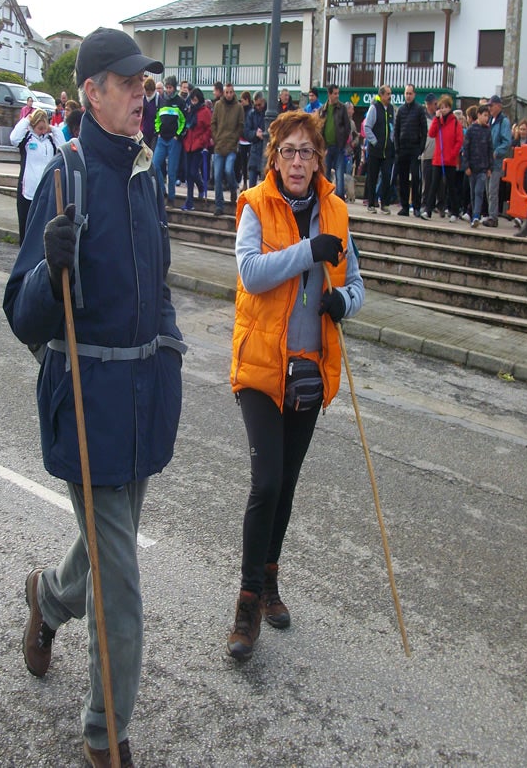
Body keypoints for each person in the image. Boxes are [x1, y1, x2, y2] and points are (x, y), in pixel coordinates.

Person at [3, 28, 185, 768]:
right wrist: (51, 269)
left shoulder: (143, 173)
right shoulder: (65, 177)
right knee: (122, 590)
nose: (144, 93)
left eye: (144, 82)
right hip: (87, 405)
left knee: (101, 556)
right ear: (93, 93)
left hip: (142, 402)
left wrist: (170, 346)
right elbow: (23, 315)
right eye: (129, 82)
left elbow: (162, 283)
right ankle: (104, 735)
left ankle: (47, 597)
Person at [226, 109, 365, 661]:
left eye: (307, 151)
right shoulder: (255, 206)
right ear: (274, 158)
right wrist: (310, 251)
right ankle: (245, 603)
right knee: (266, 483)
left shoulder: (336, 212)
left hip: (308, 369)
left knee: (285, 484)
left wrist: (341, 302)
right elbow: (252, 273)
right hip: (261, 370)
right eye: (289, 151)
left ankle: (269, 581)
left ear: (318, 159)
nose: (299, 161)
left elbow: (356, 284)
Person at [9, 107, 63, 243]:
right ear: (33, 126)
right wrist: (27, 120)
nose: (42, 131)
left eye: (44, 128)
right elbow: (14, 138)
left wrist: (53, 129)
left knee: (43, 229)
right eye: (39, 128)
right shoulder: (27, 139)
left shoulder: (50, 141)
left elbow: (63, 145)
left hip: (44, 191)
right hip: (27, 191)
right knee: (25, 228)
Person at [427, 95, 464, 221]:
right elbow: (431, 133)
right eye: (441, 107)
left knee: (451, 186)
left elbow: (459, 141)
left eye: (446, 107)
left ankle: (454, 211)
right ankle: (428, 210)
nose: (443, 110)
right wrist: (436, 120)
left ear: (450, 108)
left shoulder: (455, 123)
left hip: (450, 160)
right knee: (434, 185)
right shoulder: (439, 122)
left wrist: (453, 154)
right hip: (438, 159)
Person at [152, 75, 186, 205]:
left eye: (170, 87)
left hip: (174, 140)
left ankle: (171, 197)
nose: (168, 90)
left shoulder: (180, 102)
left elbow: (183, 121)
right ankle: (162, 190)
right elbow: (157, 119)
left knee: (172, 170)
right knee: (155, 165)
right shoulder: (161, 101)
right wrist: (158, 131)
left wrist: (178, 134)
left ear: (174, 87)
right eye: (166, 87)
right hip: (162, 139)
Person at [211, 82, 244, 216]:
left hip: (231, 145)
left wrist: (235, 138)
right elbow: (213, 123)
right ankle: (219, 205)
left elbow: (240, 125)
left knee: (229, 170)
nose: (229, 94)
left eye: (231, 92)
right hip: (219, 145)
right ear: (224, 93)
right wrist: (216, 137)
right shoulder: (218, 105)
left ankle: (233, 188)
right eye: (227, 92)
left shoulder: (239, 107)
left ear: (233, 92)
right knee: (217, 176)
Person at [393, 83, 427, 216]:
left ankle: (417, 206)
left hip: (415, 149)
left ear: (414, 94)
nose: (408, 96)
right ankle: (405, 206)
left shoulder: (419, 110)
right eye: (406, 93)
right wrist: (397, 148)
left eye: (410, 93)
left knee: (416, 178)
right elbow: (396, 131)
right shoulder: (400, 110)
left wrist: (421, 148)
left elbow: (424, 130)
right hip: (402, 149)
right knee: (402, 179)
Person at [363, 85, 396, 213]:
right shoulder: (374, 108)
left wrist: (391, 140)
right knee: (372, 176)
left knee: (387, 176)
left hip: (387, 150)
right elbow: (367, 127)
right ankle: (371, 203)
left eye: (390, 94)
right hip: (375, 150)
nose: (389, 96)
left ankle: (385, 204)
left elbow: (393, 126)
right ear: (381, 95)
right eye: (387, 94)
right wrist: (375, 142)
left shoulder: (392, 109)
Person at [463, 104, 494, 227]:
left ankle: (476, 215)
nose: (486, 118)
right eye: (485, 115)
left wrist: (490, 167)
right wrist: (466, 166)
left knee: (479, 191)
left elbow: (490, 150)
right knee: (473, 193)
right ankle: (473, 214)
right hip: (472, 166)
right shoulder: (471, 130)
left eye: (488, 116)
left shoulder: (487, 131)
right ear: (479, 115)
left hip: (483, 167)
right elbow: (466, 148)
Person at [318, 84, 352, 199]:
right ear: (329, 94)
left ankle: (340, 197)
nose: (337, 96)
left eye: (338, 93)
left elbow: (347, 127)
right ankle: (325, 196)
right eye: (335, 93)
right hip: (327, 146)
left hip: (338, 146)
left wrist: (342, 143)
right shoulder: (323, 109)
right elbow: (319, 128)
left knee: (339, 173)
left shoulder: (342, 108)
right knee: (325, 173)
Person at [181, 88, 211, 211]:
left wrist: (203, 141)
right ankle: (189, 201)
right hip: (188, 144)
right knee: (189, 174)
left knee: (193, 172)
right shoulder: (190, 111)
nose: (193, 102)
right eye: (192, 100)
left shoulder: (205, 112)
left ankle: (200, 187)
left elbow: (209, 129)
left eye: (195, 100)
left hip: (198, 146)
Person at [486, 94, 511, 226]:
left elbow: (506, 142)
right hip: (488, 161)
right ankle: (490, 214)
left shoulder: (503, 121)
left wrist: (497, 152)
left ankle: (493, 216)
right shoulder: (491, 120)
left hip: (496, 162)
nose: (489, 108)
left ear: (498, 106)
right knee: (488, 189)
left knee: (493, 190)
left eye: (491, 105)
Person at [419, 94, 438, 217]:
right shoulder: (423, 117)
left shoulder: (439, 117)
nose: (431, 106)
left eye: (433, 104)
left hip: (437, 154)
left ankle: (435, 204)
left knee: (437, 181)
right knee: (426, 180)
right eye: (429, 104)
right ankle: (424, 203)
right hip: (426, 152)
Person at [244, 91, 268, 188]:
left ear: (263, 101)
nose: (258, 107)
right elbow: (246, 132)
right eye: (256, 104)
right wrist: (255, 134)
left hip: (266, 151)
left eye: (259, 104)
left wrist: (266, 135)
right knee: (252, 184)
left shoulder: (269, 112)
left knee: (265, 184)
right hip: (255, 150)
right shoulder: (251, 114)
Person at [141, 77, 161, 150]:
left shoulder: (158, 99)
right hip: (145, 131)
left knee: (153, 153)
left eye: (150, 92)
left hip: (154, 133)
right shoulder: (143, 99)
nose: (148, 94)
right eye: (147, 91)